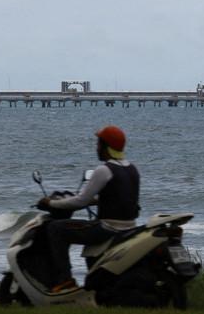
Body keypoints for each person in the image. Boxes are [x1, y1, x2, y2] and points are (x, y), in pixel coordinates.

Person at [37, 125, 140, 293]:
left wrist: (51, 203)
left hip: (108, 227)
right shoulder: (132, 169)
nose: (96, 148)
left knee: (55, 228)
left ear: (106, 147)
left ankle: (65, 279)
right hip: (129, 227)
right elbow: (120, 196)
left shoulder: (104, 170)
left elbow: (79, 201)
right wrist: (97, 201)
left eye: (99, 144)